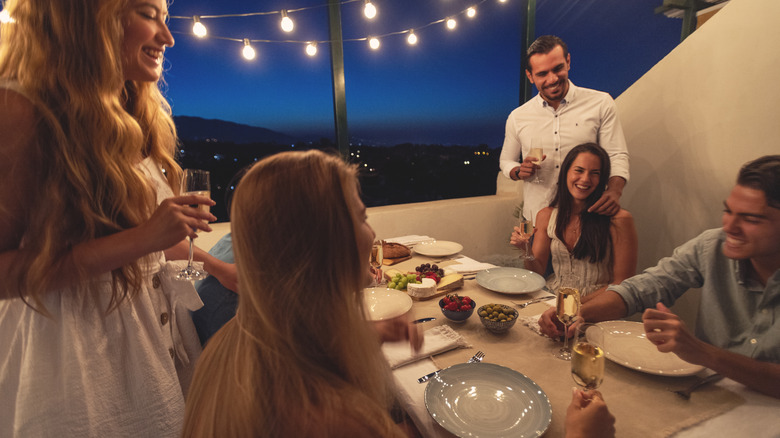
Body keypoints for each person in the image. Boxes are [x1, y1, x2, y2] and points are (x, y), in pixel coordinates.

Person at [0, 0, 233, 435]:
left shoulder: (126, 108)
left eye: (166, 18)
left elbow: (154, 241)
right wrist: (145, 237)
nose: (167, 37)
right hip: (77, 366)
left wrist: (220, 270)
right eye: (149, 14)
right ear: (88, 16)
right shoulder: (19, 106)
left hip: (148, 346)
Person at [182, 150, 423, 437]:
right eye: (361, 218)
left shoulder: (232, 340)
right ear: (323, 244)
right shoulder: (329, 417)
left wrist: (369, 332)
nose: (371, 234)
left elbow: (301, 341)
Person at [540, 155, 780, 399]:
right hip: (709, 394)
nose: (730, 226)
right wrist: (576, 312)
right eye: (728, 211)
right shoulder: (712, 245)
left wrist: (703, 353)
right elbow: (640, 288)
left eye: (751, 219)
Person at [500, 35, 630, 226]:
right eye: (542, 74)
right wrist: (519, 171)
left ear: (568, 62)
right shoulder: (518, 116)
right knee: (535, 258)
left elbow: (616, 154)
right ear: (530, 76)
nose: (552, 79)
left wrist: (614, 191)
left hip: (588, 220)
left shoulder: (600, 103)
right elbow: (506, 160)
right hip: (536, 220)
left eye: (558, 68)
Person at [511, 143, 637, 297]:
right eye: (579, 170)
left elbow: (622, 283)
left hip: (598, 306)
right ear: (566, 173)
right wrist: (526, 249)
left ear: (602, 179)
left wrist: (573, 306)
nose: (585, 179)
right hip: (552, 298)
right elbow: (537, 272)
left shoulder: (619, 220)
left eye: (595, 173)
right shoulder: (546, 215)